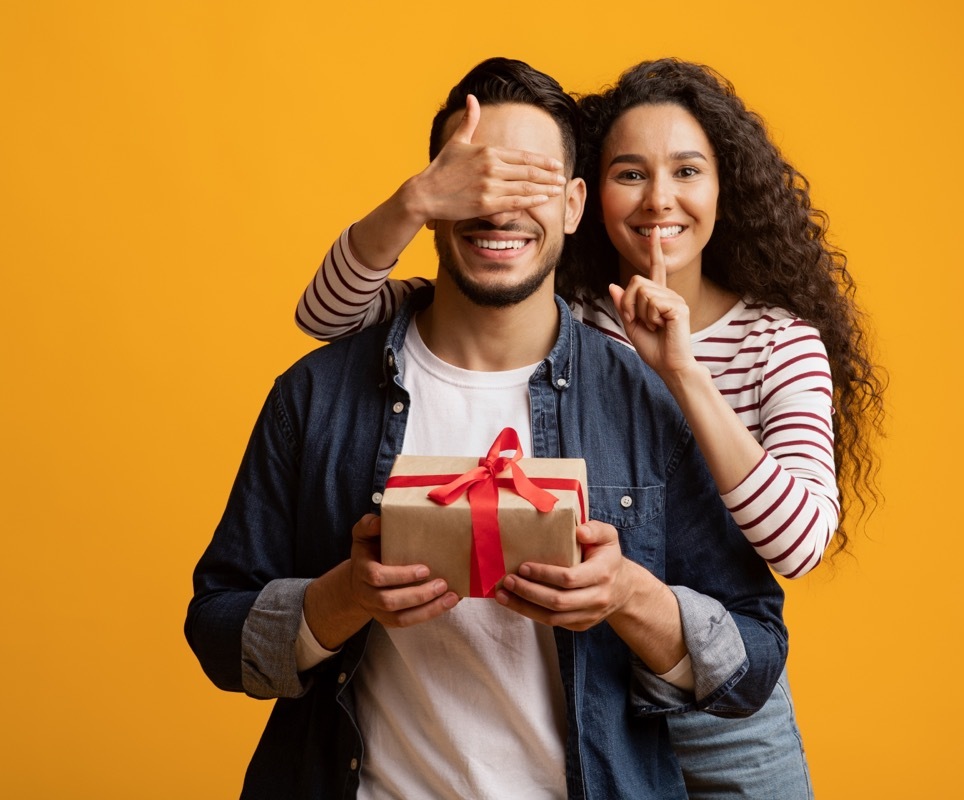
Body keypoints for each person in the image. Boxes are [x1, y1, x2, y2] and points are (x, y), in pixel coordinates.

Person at [185, 58, 789, 800]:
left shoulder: (648, 400)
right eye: (473, 177)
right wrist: (344, 597)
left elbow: (756, 653)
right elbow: (216, 630)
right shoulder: (314, 397)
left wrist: (630, 596)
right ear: (433, 198)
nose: (498, 207)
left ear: (573, 206)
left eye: (528, 181)